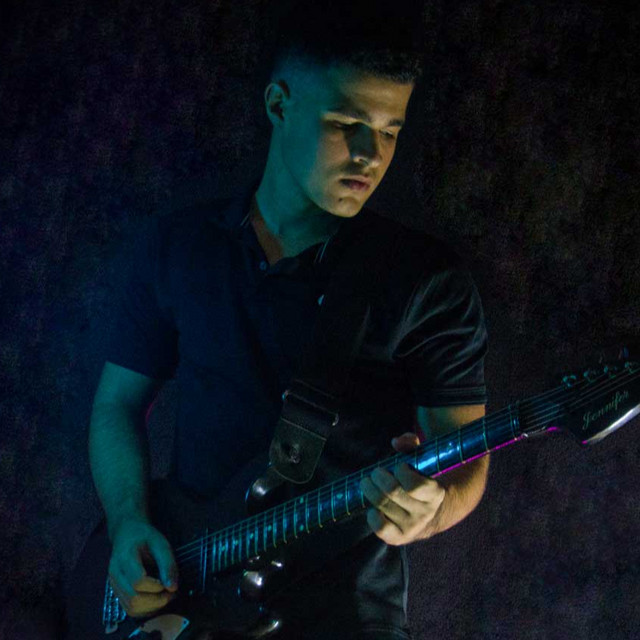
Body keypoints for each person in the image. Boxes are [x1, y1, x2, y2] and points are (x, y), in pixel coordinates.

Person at [87, 1, 490, 638]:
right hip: (187, 599)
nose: (370, 154)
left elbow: (468, 458)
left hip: (345, 615)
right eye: (347, 123)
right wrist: (128, 522)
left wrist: (432, 511)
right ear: (279, 105)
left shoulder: (427, 281)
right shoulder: (180, 247)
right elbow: (116, 405)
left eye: (390, 130)